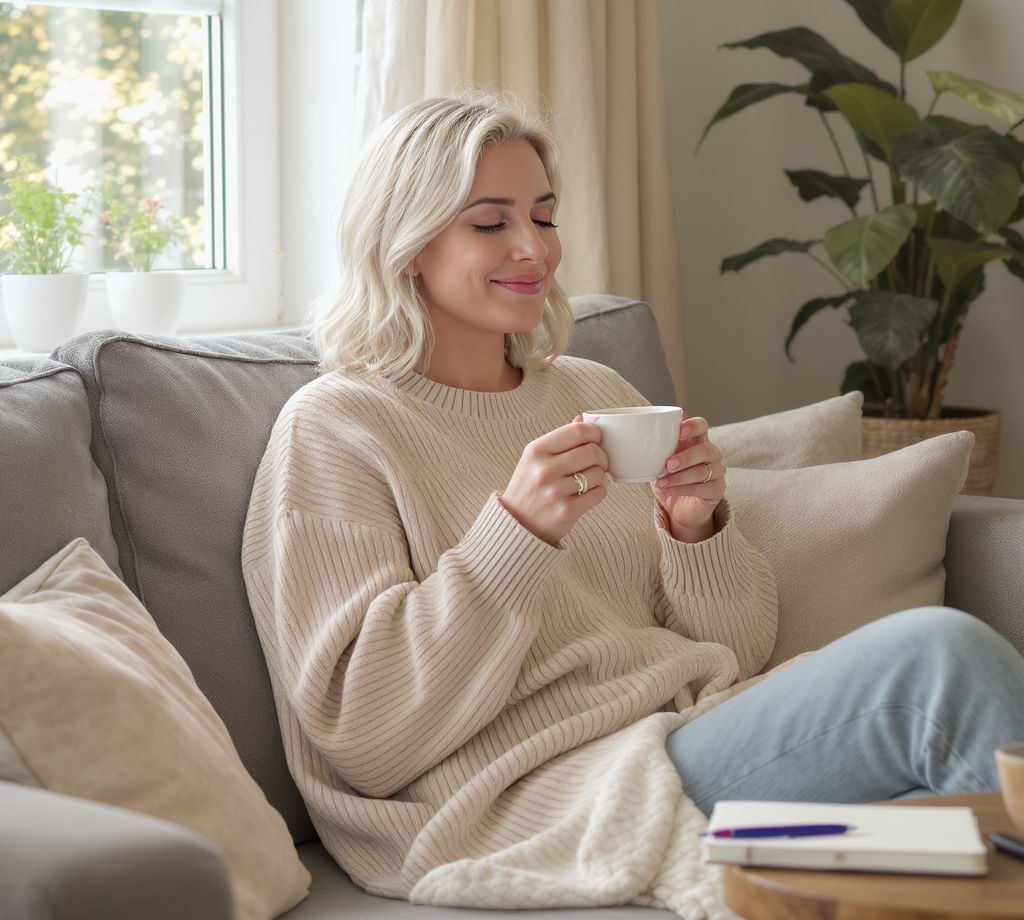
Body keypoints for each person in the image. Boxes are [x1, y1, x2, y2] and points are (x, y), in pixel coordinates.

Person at [241, 91, 1024, 914]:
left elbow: (738, 649)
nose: (533, 248)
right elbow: (366, 736)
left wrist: (696, 532)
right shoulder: (338, 427)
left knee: (951, 841)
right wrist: (517, 534)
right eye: (490, 222)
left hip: (694, 734)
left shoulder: (595, 392)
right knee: (938, 663)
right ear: (406, 246)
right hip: (550, 793)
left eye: (544, 217)